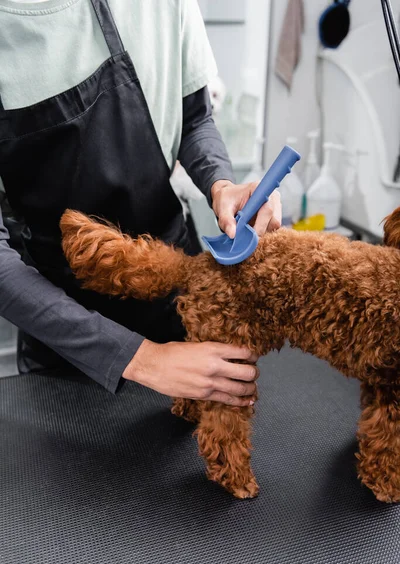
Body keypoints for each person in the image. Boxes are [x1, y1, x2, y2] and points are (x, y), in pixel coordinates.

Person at [0, 0, 281, 407]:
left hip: (179, 313)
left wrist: (221, 184)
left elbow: (195, 118)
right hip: (62, 337)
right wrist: (142, 358)